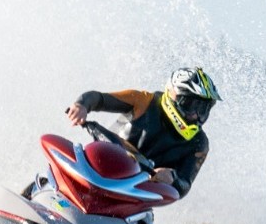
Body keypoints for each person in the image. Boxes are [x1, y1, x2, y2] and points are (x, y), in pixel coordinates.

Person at [64, 67, 220, 198]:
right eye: (191, 105)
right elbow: (98, 98)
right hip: (98, 167)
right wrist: (81, 105)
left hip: (133, 194)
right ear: (174, 96)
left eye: (203, 109)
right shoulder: (143, 101)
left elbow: (185, 184)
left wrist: (172, 178)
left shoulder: (199, 143)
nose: (195, 115)